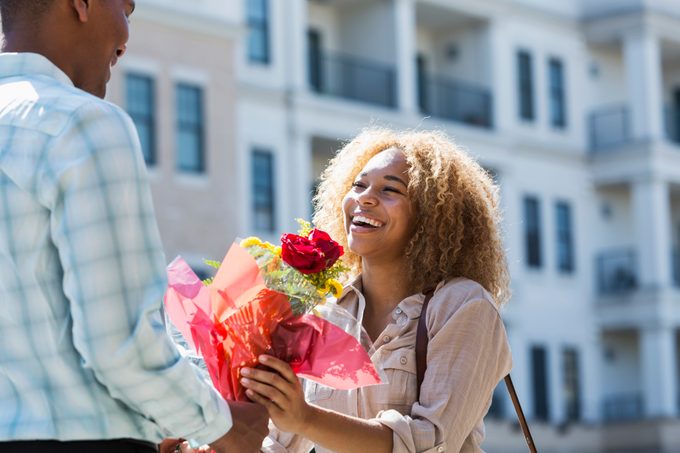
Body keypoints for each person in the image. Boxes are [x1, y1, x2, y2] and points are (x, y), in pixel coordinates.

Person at [0, 1, 267, 452]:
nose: (125, 38)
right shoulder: (83, 124)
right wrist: (226, 427)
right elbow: (122, 346)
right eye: (126, 8)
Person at [241, 129, 513, 453]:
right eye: (358, 185)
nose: (364, 198)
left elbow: (431, 442)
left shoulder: (463, 305)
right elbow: (280, 443)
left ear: (429, 217)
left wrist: (305, 418)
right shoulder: (324, 311)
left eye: (390, 190)